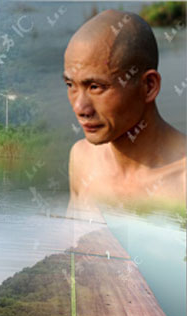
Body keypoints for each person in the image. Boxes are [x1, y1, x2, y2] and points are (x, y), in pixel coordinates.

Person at [64, 10, 186, 217]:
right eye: (70, 85)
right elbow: (73, 244)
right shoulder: (82, 160)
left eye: (95, 87)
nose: (80, 108)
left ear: (148, 86)